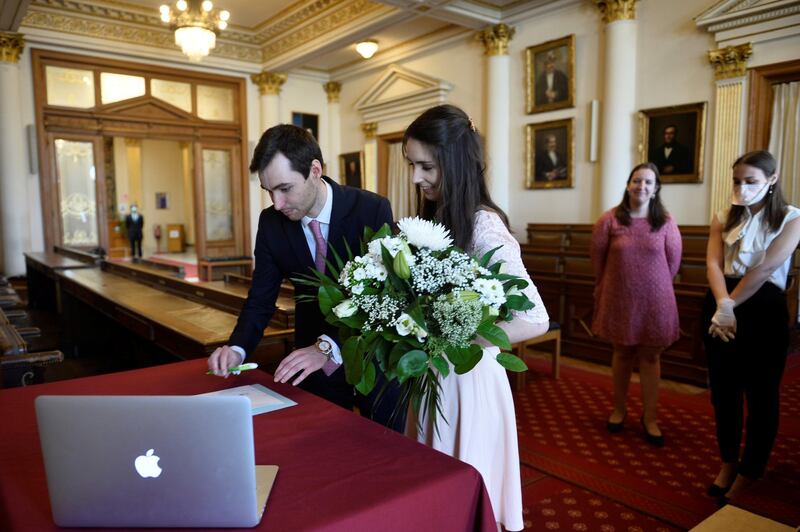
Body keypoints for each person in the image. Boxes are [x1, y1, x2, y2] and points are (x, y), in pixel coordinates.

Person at [403, 104, 550, 531]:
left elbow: (535, 318)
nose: (416, 178)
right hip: (434, 378)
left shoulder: (483, 226)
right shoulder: (438, 217)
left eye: (426, 166)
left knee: (463, 499)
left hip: (467, 382)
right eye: (413, 165)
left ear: (455, 162)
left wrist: (456, 342)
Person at [207, 124, 403, 431]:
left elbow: (385, 296)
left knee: (389, 449)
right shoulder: (271, 222)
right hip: (309, 365)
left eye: (285, 188)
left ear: (315, 170)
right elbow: (261, 297)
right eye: (268, 191)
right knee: (325, 447)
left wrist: (326, 347)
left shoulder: (370, 208)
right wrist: (238, 348)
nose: (277, 203)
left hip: (372, 357)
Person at [702, 150, 800, 502]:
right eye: (737, 181)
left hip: (762, 307)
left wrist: (732, 303)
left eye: (751, 182)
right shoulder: (723, 216)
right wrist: (721, 303)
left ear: (771, 180)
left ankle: (751, 468)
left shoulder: (791, 218)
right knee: (724, 393)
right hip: (719, 302)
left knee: (761, 395)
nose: (742, 188)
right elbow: (713, 263)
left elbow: (764, 269)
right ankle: (728, 461)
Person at [590, 162, 682, 447]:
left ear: (655, 190)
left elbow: (674, 262)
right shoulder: (609, 220)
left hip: (656, 300)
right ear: (628, 184)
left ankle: (650, 417)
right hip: (620, 297)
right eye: (637, 181)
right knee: (622, 353)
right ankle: (619, 409)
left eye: (648, 182)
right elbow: (598, 260)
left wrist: (653, 284)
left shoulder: (665, 221)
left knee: (651, 357)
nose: (641, 186)